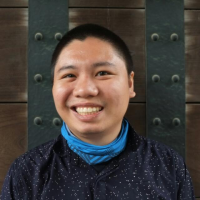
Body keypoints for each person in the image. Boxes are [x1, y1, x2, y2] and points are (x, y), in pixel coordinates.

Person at [1, 24, 195, 200]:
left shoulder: (169, 166)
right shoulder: (26, 173)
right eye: (69, 75)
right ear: (53, 88)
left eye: (103, 73)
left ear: (129, 83)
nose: (85, 89)